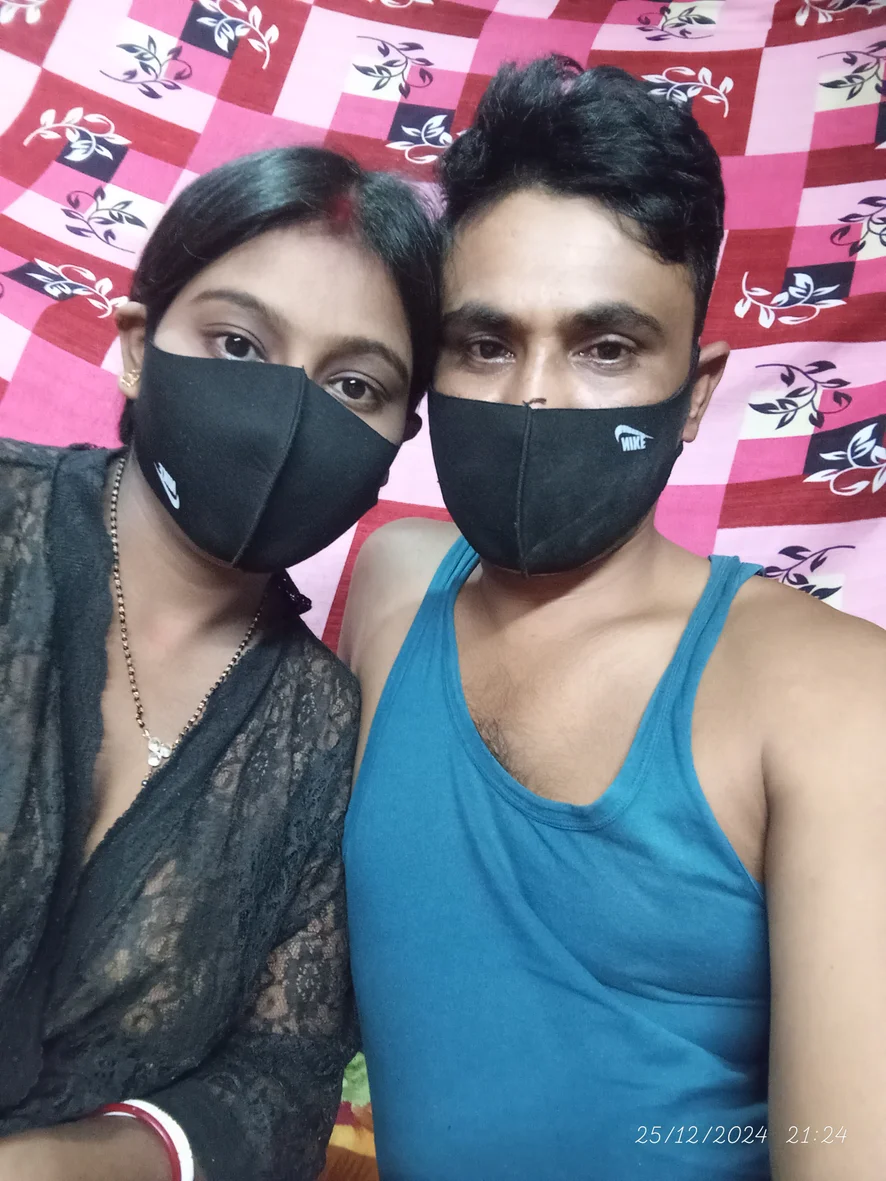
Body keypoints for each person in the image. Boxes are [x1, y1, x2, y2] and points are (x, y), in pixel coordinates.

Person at [340, 57, 886, 1181]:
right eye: (486, 344)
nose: (534, 396)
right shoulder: (392, 582)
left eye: (605, 347)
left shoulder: (833, 698)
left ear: (695, 392)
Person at [0, 146, 438, 1181]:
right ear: (137, 345)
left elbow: (280, 1081)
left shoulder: (323, 735)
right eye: (239, 343)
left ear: (397, 439)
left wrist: (58, 1166)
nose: (286, 413)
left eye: (354, 383)